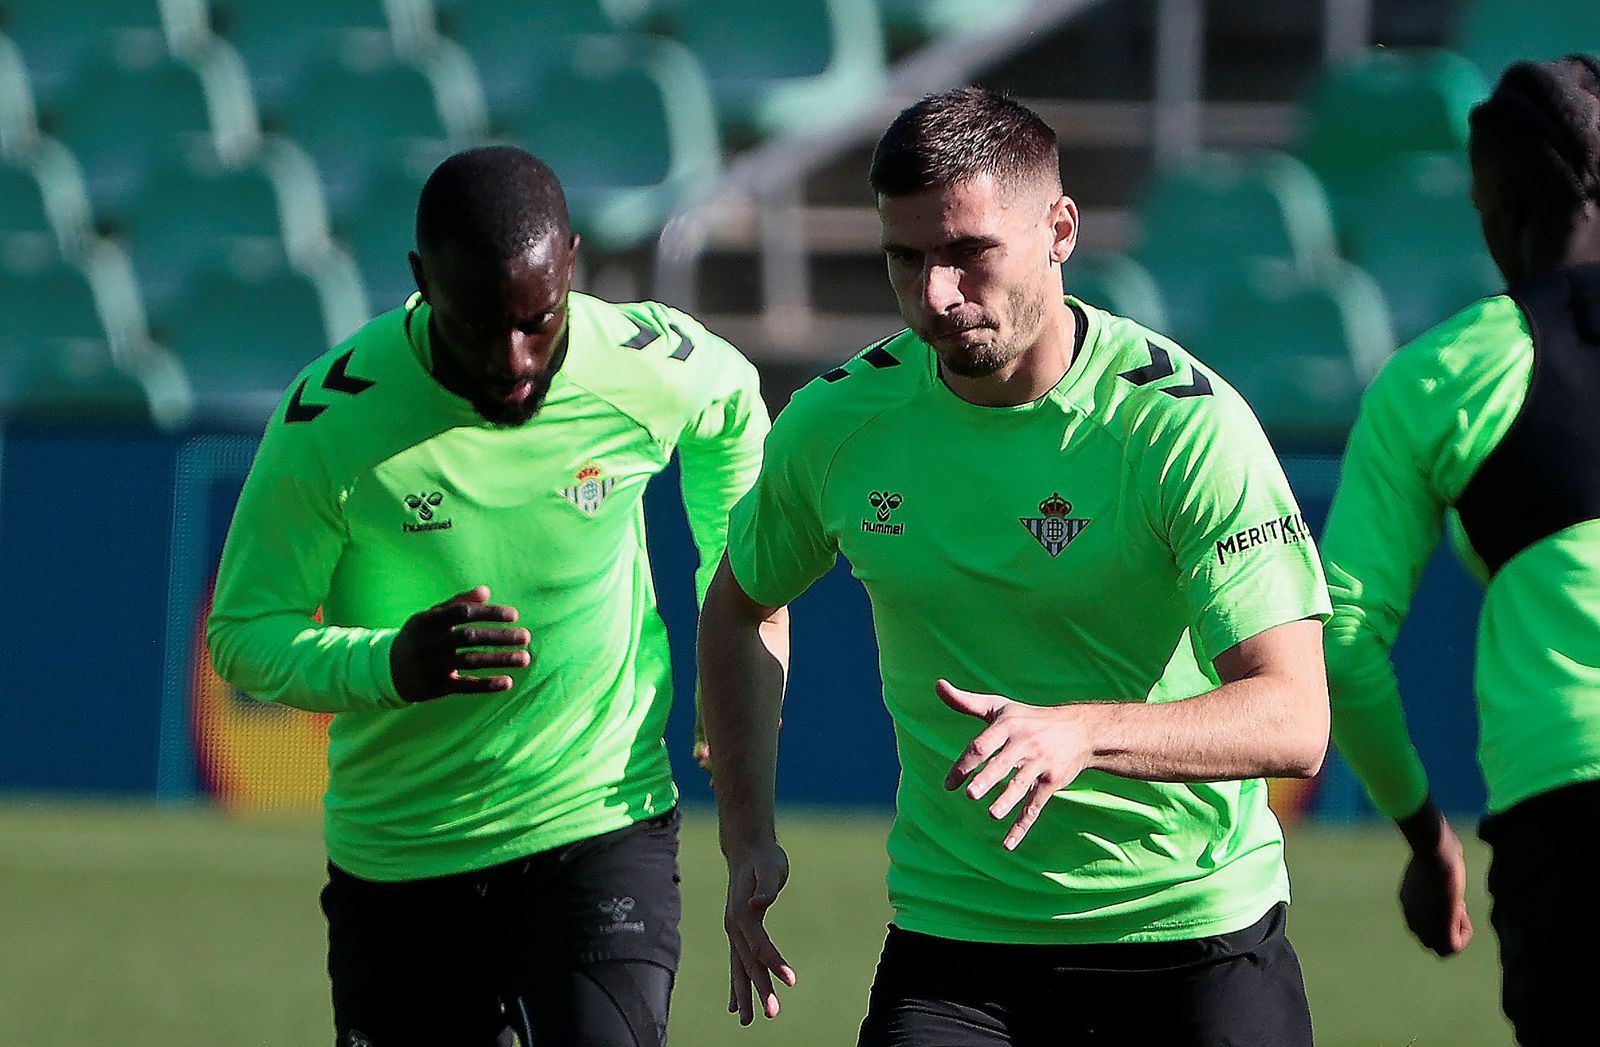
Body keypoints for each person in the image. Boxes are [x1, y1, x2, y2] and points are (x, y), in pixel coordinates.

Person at [697, 88, 1332, 1046]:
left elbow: (1295, 716)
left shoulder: (1180, 428)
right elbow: (740, 603)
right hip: (958, 951)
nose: (936, 295)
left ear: (1060, 228)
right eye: (905, 258)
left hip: (1194, 937)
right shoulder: (836, 425)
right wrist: (747, 835)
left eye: (967, 253)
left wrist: (1081, 732)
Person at [206, 145, 769, 1047]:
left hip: (598, 817)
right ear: (421, 281)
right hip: (402, 856)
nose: (512, 358)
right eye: (476, 323)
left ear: (571, 264)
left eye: (537, 321)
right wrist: (390, 662)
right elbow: (241, 635)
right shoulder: (330, 420)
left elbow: (733, 406)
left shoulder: (639, 363)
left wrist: (726, 614)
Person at [1321, 55, 1600, 1046]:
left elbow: (1342, 643)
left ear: (1498, 206)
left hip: (1566, 813)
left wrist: (1420, 830)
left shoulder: (1440, 376)